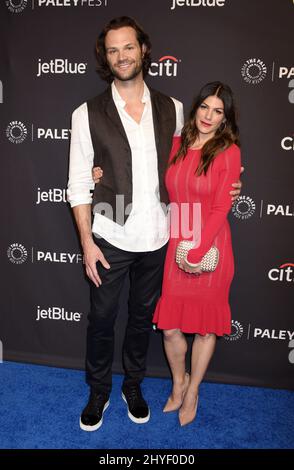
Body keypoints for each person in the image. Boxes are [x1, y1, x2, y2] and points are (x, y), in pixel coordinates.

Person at [67, 16, 242, 432]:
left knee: (144, 320)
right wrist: (87, 242)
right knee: (103, 319)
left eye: (128, 47)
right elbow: (78, 183)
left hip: (162, 235)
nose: (121, 56)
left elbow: (195, 163)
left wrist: (228, 186)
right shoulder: (85, 113)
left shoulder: (174, 108)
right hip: (110, 233)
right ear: (105, 58)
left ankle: (133, 384)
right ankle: (98, 390)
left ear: (144, 50)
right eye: (112, 50)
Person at [152, 81, 241, 426]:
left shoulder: (229, 151)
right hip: (179, 234)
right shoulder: (175, 143)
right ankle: (179, 383)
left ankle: (193, 392)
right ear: (196, 108)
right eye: (205, 106)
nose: (209, 115)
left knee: (205, 329)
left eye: (218, 111)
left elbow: (221, 207)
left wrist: (199, 248)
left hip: (212, 243)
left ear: (225, 118)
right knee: (171, 326)